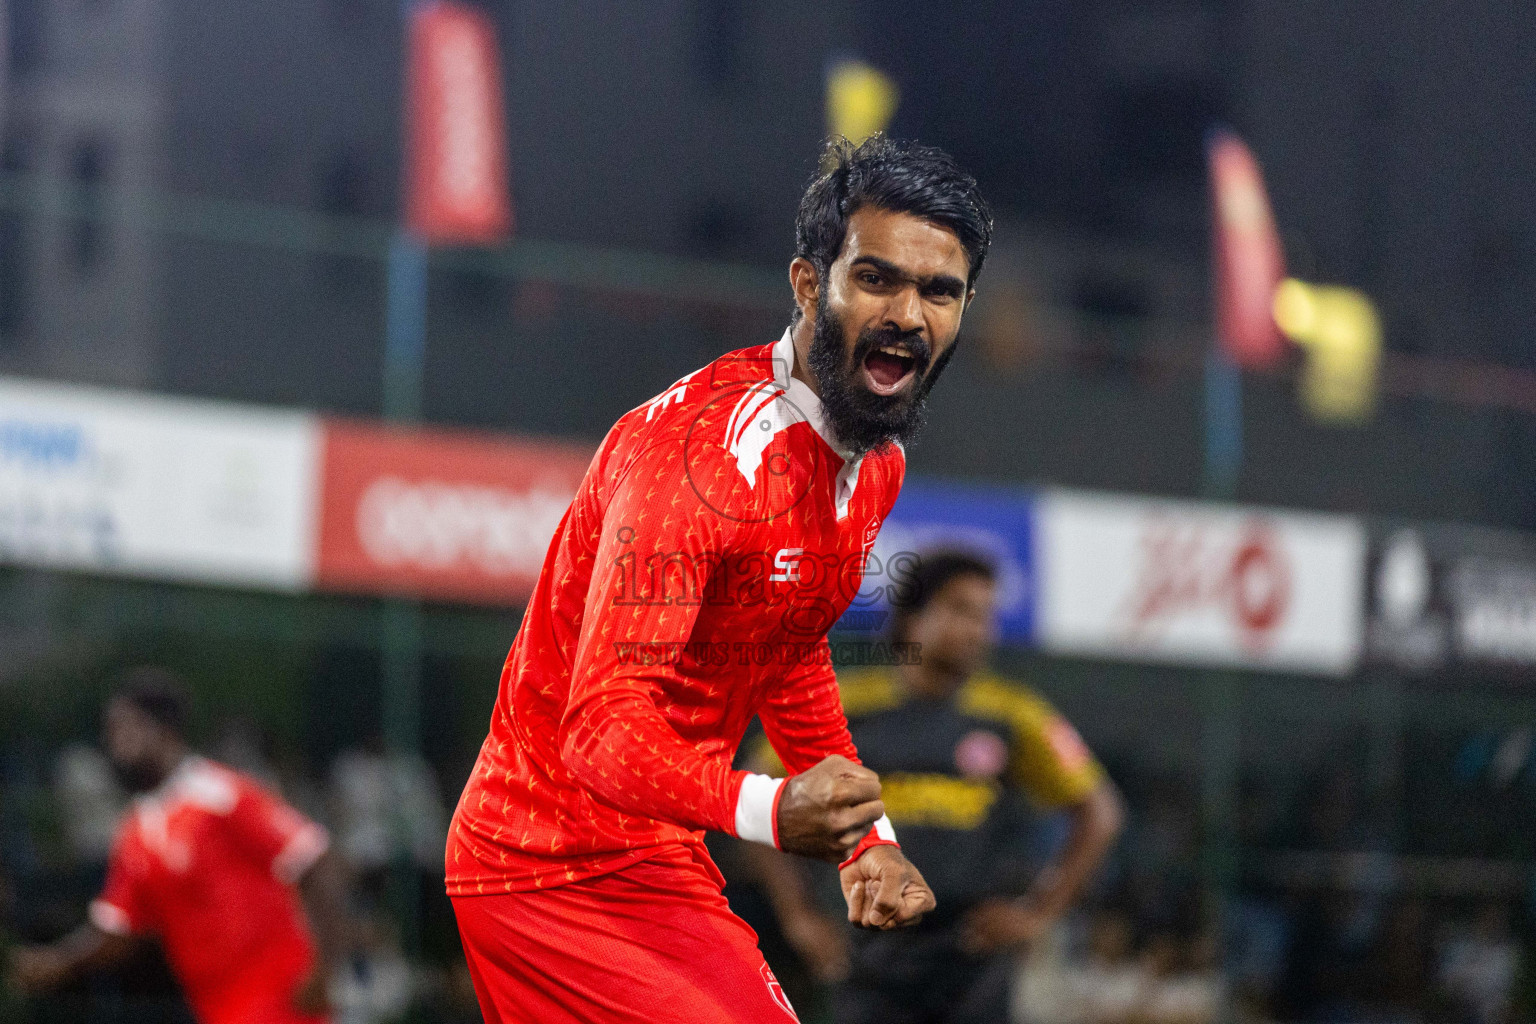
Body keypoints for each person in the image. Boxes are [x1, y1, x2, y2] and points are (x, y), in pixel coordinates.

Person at [446, 134, 993, 1024]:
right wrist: (776, 811)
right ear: (810, 284)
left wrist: (867, 843)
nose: (910, 314)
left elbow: (787, 643)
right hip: (542, 865)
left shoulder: (872, 458)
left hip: (652, 852)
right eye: (878, 279)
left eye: (941, 291)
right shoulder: (699, 462)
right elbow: (599, 730)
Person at [747, 550, 1124, 1023]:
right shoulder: (846, 707)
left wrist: (1038, 913)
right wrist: (799, 917)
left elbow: (1100, 814)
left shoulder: (1013, 715)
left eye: (986, 615)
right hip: (867, 956)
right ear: (912, 618)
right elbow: (759, 794)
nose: (978, 630)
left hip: (973, 959)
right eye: (961, 610)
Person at [6, 668, 349, 1024]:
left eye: (125, 728)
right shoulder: (135, 831)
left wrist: (326, 971)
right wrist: (56, 962)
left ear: (163, 728)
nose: (115, 744)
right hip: (217, 1009)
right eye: (110, 732)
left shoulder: (220, 794)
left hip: (282, 999)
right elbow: (118, 931)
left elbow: (316, 860)